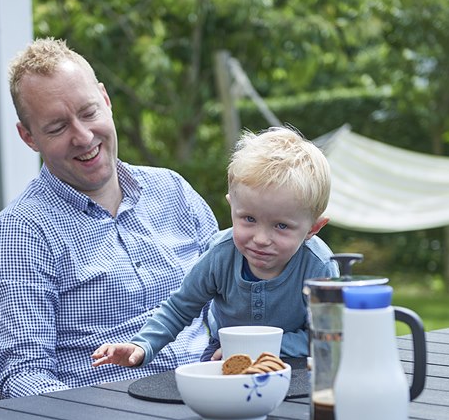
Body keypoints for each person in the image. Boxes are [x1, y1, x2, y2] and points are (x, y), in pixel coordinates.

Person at [0, 37, 219, 398]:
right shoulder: (19, 237)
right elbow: (24, 378)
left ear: (105, 99)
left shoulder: (173, 191)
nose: (83, 136)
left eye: (88, 113)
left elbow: (231, 300)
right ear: (29, 137)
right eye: (57, 127)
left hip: (219, 397)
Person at [92, 126, 339, 370]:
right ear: (232, 206)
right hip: (224, 352)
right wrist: (142, 345)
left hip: (293, 358)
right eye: (249, 219)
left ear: (313, 229)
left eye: (281, 226)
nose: (261, 239)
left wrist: (258, 348)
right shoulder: (221, 254)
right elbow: (180, 306)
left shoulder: (319, 266)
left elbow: (327, 337)